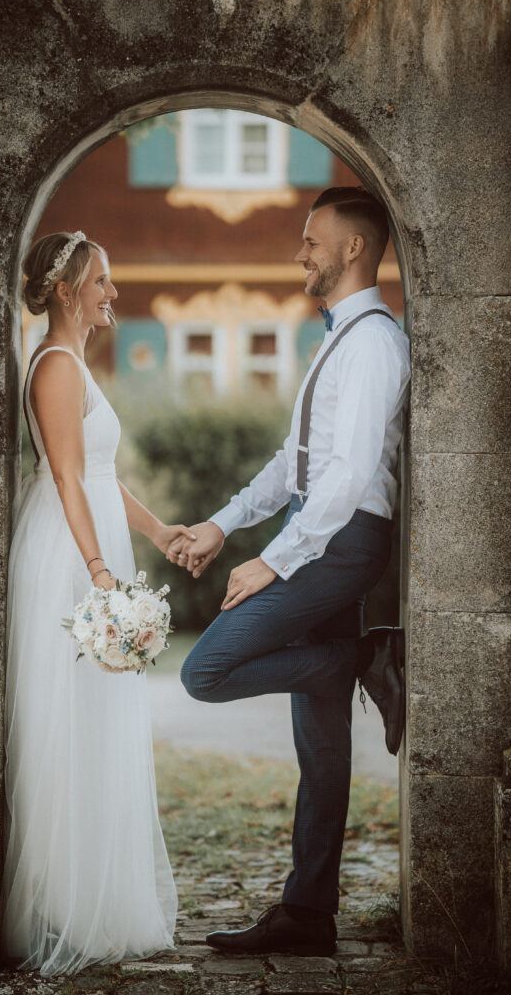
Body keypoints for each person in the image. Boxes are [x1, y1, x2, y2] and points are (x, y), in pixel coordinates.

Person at [169, 187, 411, 957]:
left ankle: (358, 657)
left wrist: (272, 562)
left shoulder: (373, 341)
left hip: (342, 542)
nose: (299, 252)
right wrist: (221, 522)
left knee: (204, 669)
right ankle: (308, 915)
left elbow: (344, 481)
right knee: (321, 744)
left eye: (312, 240)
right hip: (319, 532)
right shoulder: (338, 338)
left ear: (352, 248)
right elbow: (292, 465)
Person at [1, 230, 193, 975]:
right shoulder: (54, 365)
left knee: (93, 727)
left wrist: (157, 530)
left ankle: (88, 898)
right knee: (66, 729)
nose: (113, 294)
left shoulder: (74, 363)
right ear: (63, 290)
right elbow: (68, 480)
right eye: (102, 281)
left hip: (94, 549)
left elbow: (101, 475)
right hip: (70, 560)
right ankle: (57, 904)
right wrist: (99, 573)